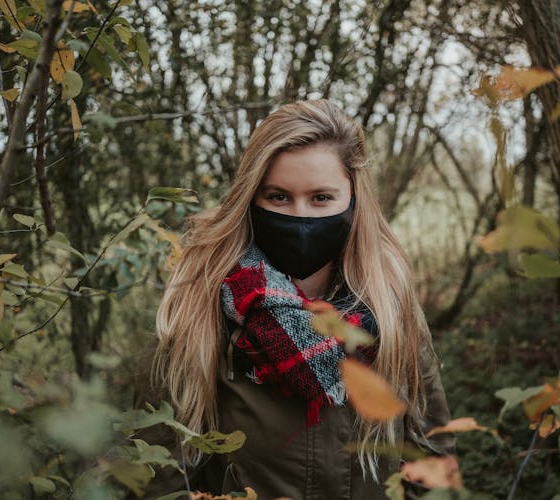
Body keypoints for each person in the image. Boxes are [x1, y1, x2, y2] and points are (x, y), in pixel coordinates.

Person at [133, 99, 453, 499]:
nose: (301, 217)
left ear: (353, 201)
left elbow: (432, 455)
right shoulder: (200, 303)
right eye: (279, 197)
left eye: (321, 198)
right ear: (252, 199)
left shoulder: (388, 303)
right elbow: (156, 475)